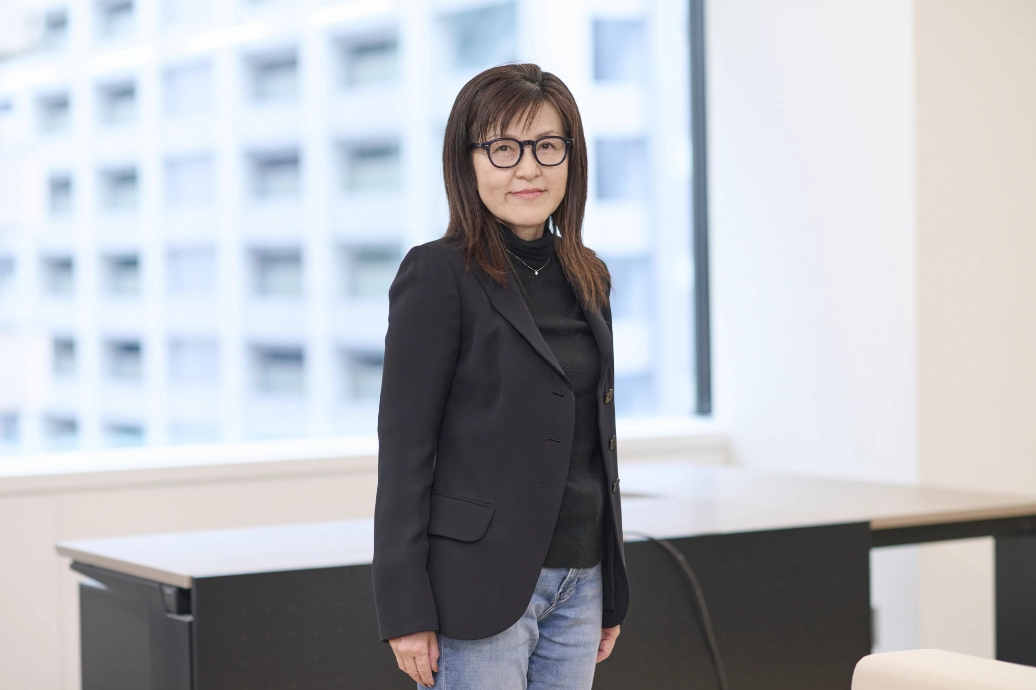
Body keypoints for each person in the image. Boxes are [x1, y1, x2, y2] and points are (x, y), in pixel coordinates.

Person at [372, 62, 629, 690]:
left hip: (582, 579)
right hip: (477, 586)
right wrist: (406, 610)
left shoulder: (588, 275)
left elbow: (595, 441)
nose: (528, 168)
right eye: (503, 148)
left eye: (547, 146)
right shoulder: (438, 274)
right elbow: (405, 450)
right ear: (468, 162)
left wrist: (609, 589)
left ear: (571, 157)